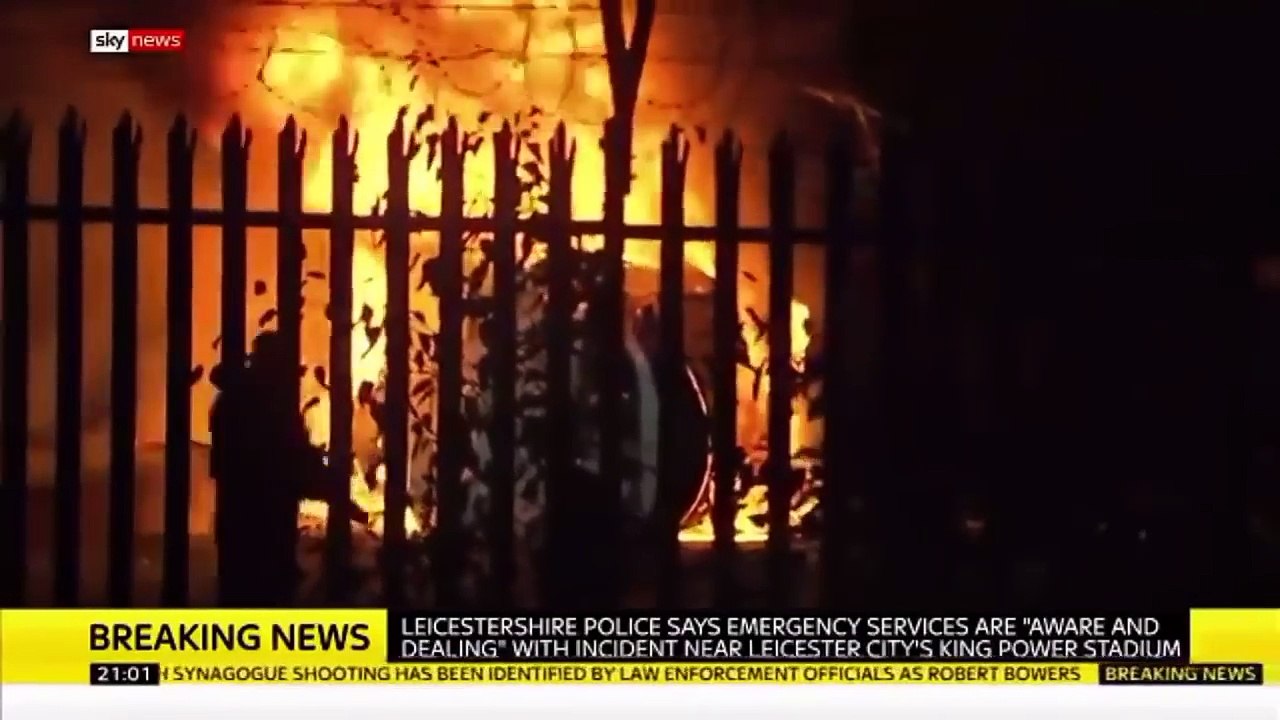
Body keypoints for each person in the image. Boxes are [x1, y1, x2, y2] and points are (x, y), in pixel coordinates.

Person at [209, 331, 323, 606]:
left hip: (237, 519)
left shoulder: (230, 401)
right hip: (266, 521)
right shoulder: (272, 405)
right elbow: (290, 460)